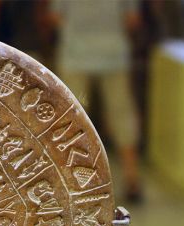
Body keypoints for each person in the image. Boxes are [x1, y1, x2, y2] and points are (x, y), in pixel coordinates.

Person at [53, 0, 144, 203]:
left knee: (72, 120)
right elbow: (132, 19)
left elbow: (56, 16)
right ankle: (132, 178)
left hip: (75, 54)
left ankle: (69, 181)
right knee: (121, 113)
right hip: (113, 54)